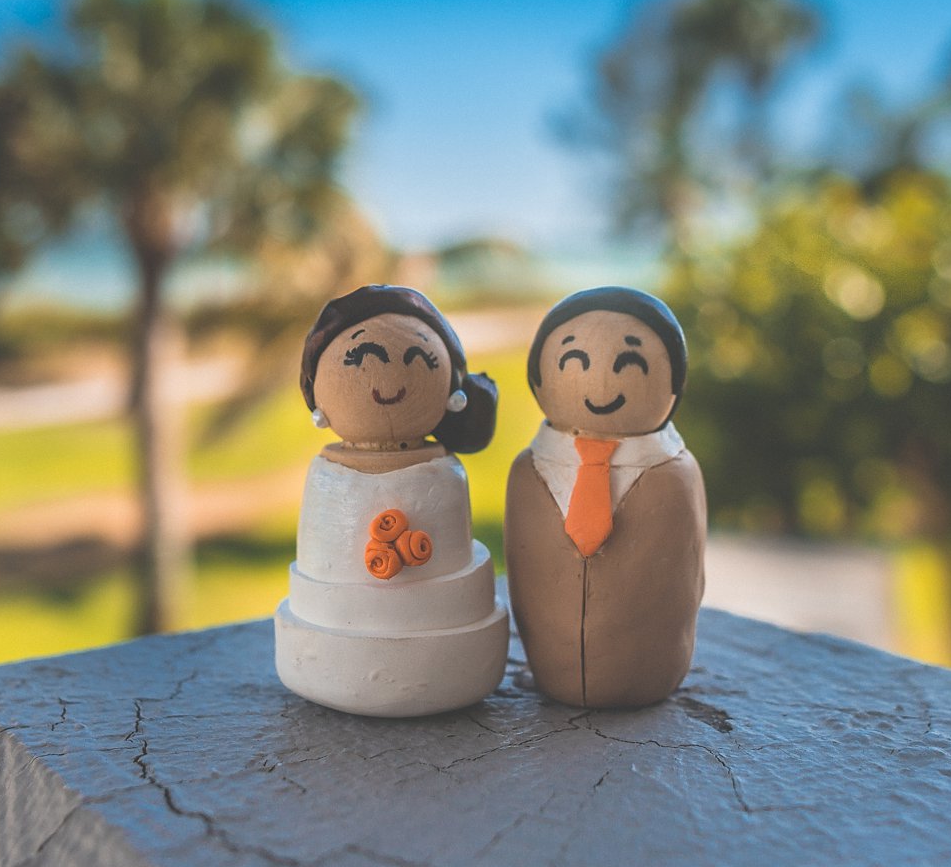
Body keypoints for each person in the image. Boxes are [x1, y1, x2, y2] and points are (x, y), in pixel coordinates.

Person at [273, 284, 508, 717]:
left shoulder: (445, 473)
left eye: (419, 360)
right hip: (323, 655)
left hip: (456, 665)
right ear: (316, 391)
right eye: (361, 360)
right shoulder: (328, 476)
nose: (389, 380)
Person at [505, 286, 705, 708]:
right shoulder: (528, 471)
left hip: (651, 670)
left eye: (628, 364)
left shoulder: (674, 474)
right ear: (540, 378)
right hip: (549, 666)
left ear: (674, 381)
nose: (601, 384)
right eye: (574, 362)